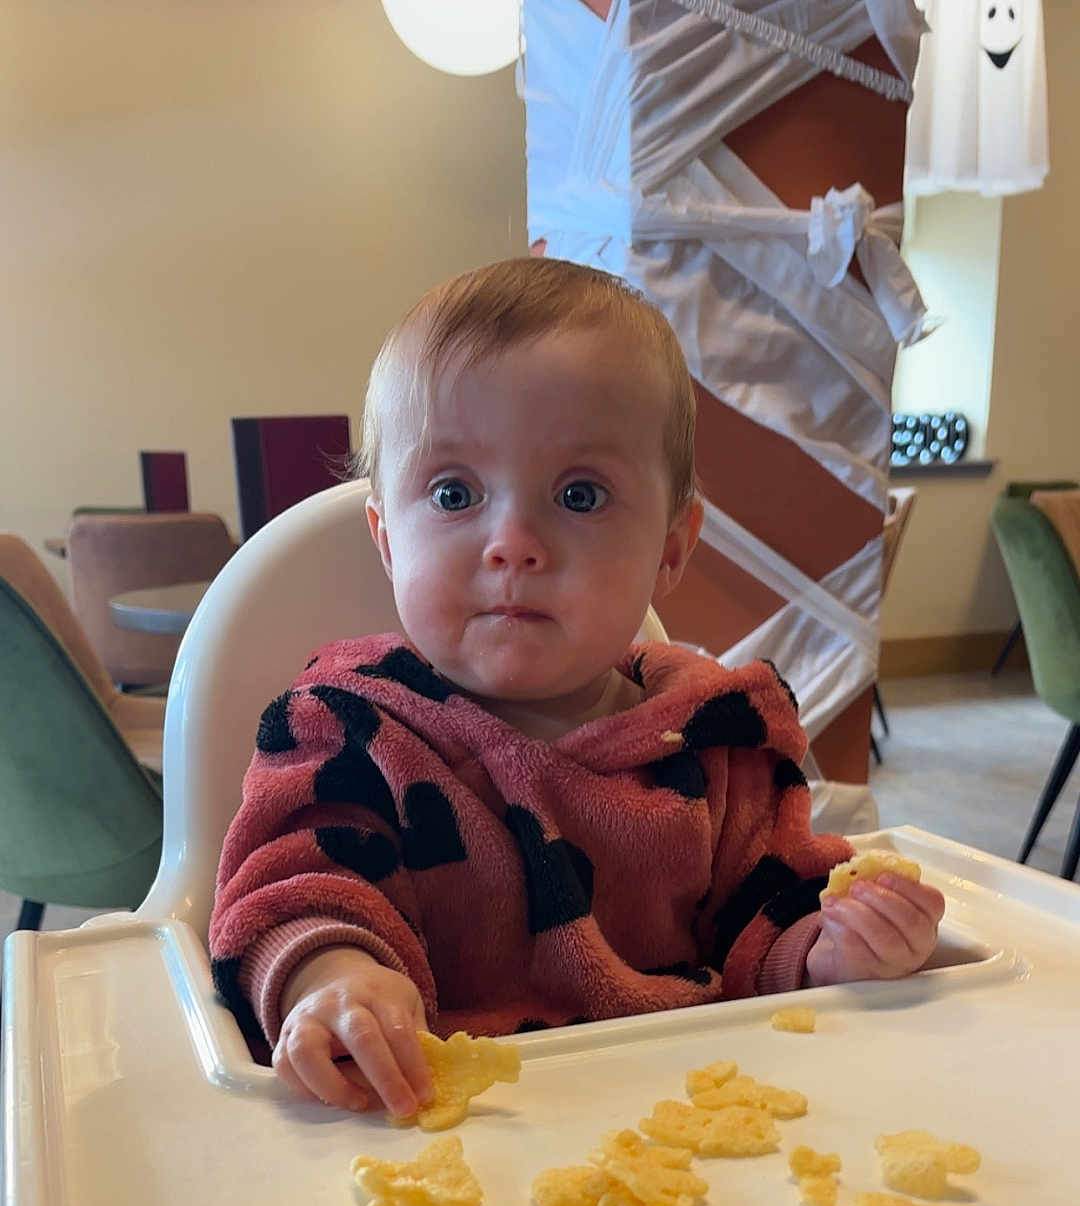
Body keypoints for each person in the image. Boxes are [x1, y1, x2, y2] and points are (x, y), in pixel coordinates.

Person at [210, 257, 944, 1118]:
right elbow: (289, 893)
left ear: (671, 549)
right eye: (455, 493)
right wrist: (337, 982)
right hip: (436, 1131)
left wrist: (840, 944)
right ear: (387, 539)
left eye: (580, 494)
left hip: (691, 1125)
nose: (513, 543)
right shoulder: (349, 732)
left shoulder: (719, 742)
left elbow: (771, 909)